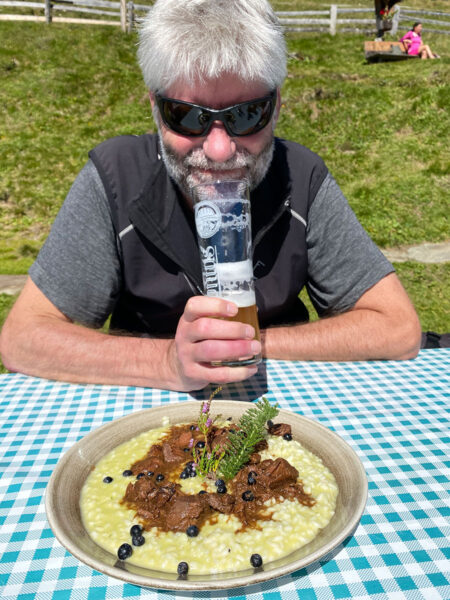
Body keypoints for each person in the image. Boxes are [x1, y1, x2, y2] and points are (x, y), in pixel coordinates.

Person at [0, 0, 421, 392]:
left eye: (246, 114)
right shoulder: (116, 179)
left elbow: (398, 328)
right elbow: (22, 339)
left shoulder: (302, 178)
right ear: (155, 108)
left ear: (275, 108)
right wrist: (166, 362)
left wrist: (249, 344)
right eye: (187, 116)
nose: (219, 150)